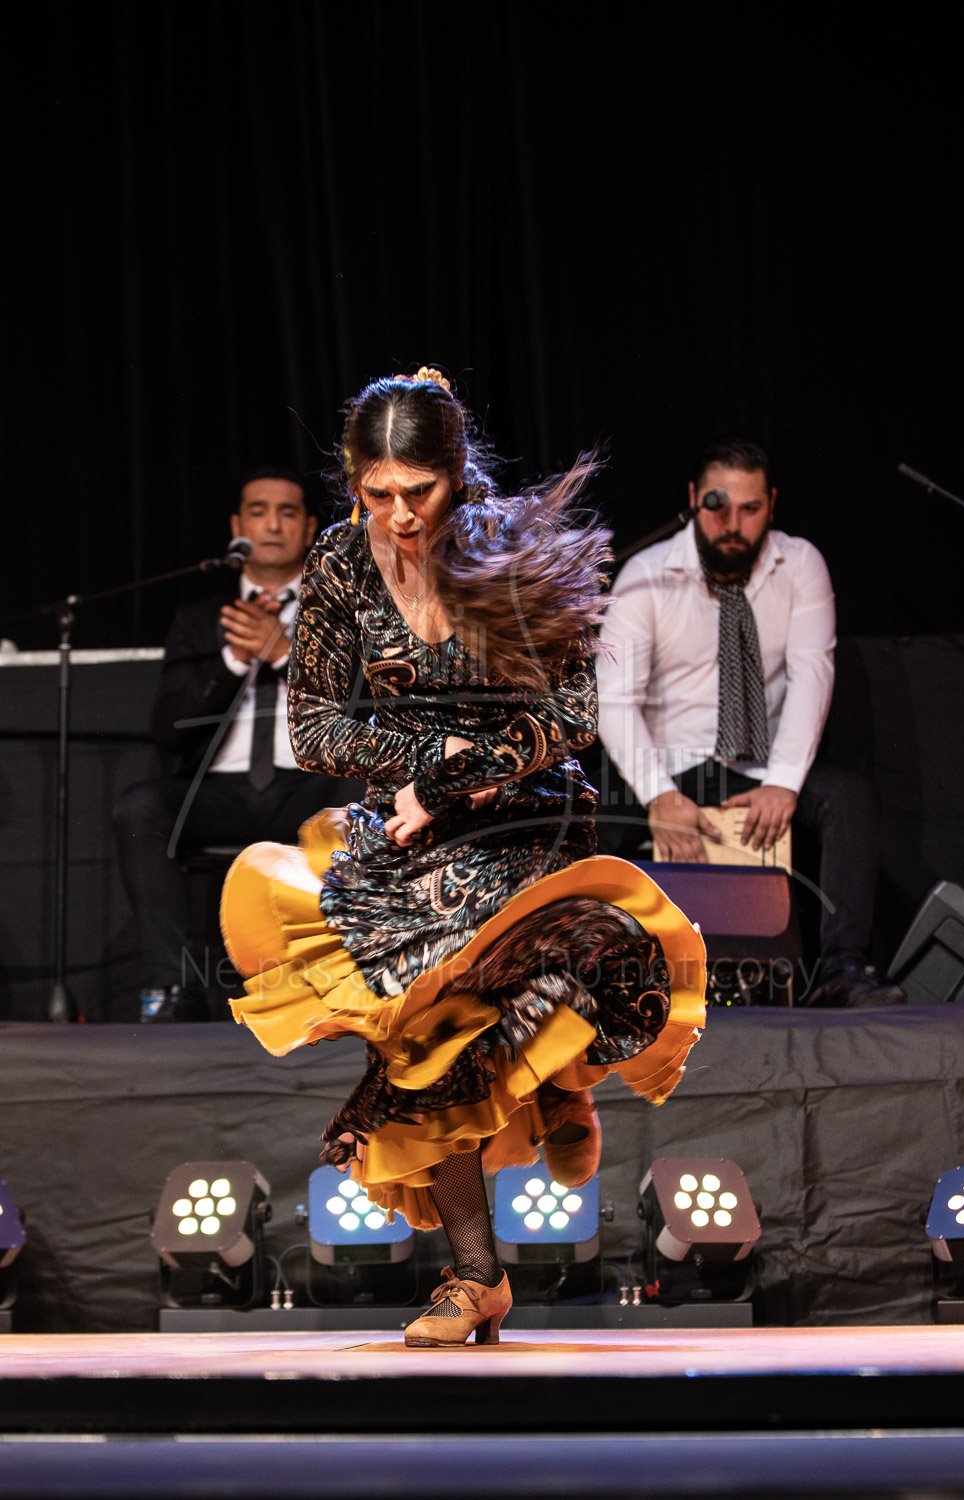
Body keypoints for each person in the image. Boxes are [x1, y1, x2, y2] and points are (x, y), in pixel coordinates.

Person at [222, 370, 706, 1347]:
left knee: (456, 988)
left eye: (420, 490)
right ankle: (475, 1277)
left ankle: (559, 1076)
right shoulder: (342, 562)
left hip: (524, 812)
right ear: (353, 483)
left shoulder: (504, 549)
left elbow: (573, 715)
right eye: (378, 494)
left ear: (458, 474)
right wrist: (426, 762)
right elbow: (313, 727)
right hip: (409, 815)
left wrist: (463, 775)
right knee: (406, 1021)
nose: (401, 515)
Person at [596, 438, 905, 1009]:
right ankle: (590, 975)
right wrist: (659, 795)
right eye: (717, 506)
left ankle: (840, 967)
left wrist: (784, 783)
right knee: (593, 812)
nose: (732, 526)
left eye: (750, 509)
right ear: (693, 498)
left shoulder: (800, 565)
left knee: (850, 798)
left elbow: (813, 676)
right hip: (671, 764)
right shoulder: (646, 575)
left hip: (761, 767)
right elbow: (616, 701)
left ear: (772, 505)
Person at [113, 467, 361, 1022]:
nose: (272, 525)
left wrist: (285, 654)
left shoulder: (341, 612)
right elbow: (169, 728)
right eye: (258, 511)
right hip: (219, 793)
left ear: (310, 528)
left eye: (288, 513)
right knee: (141, 808)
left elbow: (362, 712)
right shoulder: (200, 621)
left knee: (362, 797)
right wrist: (233, 661)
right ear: (236, 527)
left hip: (309, 788)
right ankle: (174, 989)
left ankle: (354, 981)